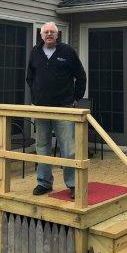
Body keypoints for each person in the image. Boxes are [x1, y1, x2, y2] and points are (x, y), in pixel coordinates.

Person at [26, 21, 87, 198]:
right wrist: (36, 97)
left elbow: (81, 76)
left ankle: (73, 184)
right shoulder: (35, 52)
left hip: (63, 107)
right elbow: (30, 77)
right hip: (41, 109)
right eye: (46, 32)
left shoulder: (67, 52)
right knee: (42, 145)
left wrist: (76, 98)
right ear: (41, 35)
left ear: (57, 34)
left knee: (68, 148)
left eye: (52, 32)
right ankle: (44, 183)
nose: (49, 34)